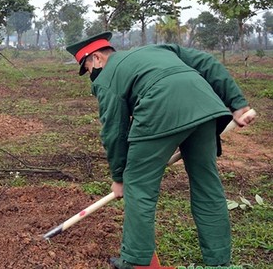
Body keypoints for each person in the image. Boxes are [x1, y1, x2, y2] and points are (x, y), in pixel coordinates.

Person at [65, 32, 255, 268]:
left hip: (159, 109)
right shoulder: (157, 49)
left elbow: (114, 131)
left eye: (88, 68)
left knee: (138, 185)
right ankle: (219, 261)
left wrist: (120, 176)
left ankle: (136, 262)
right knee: (207, 184)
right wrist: (238, 104)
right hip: (205, 108)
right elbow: (207, 62)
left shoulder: (106, 78)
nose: (91, 76)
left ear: (96, 59)